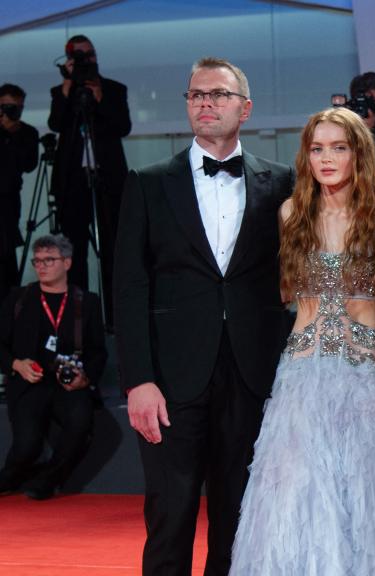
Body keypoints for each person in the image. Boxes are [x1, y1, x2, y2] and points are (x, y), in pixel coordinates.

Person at [114, 57, 294, 576]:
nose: (206, 103)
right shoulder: (148, 182)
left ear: (245, 108)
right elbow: (129, 288)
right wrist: (138, 381)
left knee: (239, 519)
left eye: (218, 94)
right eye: (196, 95)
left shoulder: (282, 183)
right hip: (171, 380)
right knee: (169, 516)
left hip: (252, 374)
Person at [230, 107, 375, 573]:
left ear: (359, 154)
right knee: (298, 492)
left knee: (367, 493)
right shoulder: (291, 212)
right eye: (317, 149)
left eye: (338, 148)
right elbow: (284, 290)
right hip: (303, 374)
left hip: (367, 374)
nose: (327, 158)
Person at [0, 235, 105, 500]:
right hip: (28, 383)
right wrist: (16, 364)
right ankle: (9, 478)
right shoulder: (18, 298)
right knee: (27, 445)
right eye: (37, 261)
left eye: (49, 260)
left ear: (67, 263)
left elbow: (97, 352)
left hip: (68, 385)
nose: (41, 266)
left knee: (81, 424)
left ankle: (45, 481)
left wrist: (85, 378)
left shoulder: (86, 302)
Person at [49, 35, 131, 320]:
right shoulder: (62, 91)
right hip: (72, 181)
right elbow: (56, 124)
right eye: (79, 55)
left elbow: (123, 127)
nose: (86, 60)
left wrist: (100, 100)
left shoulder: (114, 89)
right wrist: (66, 88)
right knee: (74, 249)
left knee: (112, 247)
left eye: (90, 54)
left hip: (108, 180)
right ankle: (80, 317)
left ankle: (115, 315)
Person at [0, 83, 39, 299]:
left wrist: (12, 136)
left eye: (17, 107)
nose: (11, 112)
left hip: (8, 201)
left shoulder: (27, 133)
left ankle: (9, 305)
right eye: (6, 107)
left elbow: (28, 164)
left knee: (6, 255)